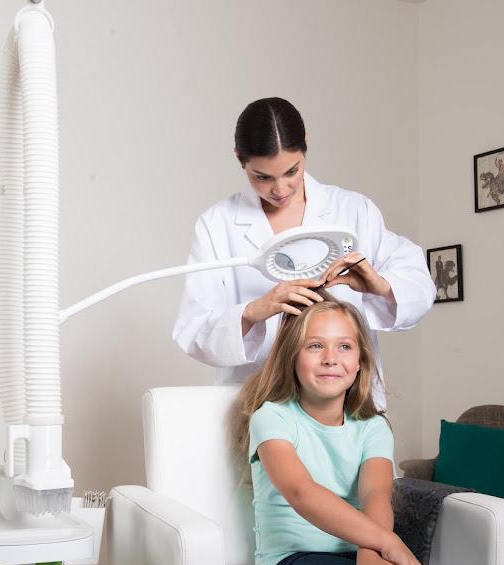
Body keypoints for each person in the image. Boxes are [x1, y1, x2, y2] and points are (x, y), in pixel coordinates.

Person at [229, 295, 463, 565]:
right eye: (314, 346)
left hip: (356, 556)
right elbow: (302, 493)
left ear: (360, 362)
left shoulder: (373, 427)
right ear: (292, 357)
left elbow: (375, 495)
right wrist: (388, 543)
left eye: (344, 346)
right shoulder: (272, 418)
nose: (330, 358)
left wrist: (370, 553)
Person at [173, 97, 436, 409]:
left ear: (305, 145)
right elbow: (194, 331)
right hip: (263, 406)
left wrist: (380, 285)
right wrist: (255, 310)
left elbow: (419, 285)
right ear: (239, 159)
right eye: (262, 177)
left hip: (347, 406)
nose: (280, 189)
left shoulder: (352, 210)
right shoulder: (217, 225)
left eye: (291, 171)